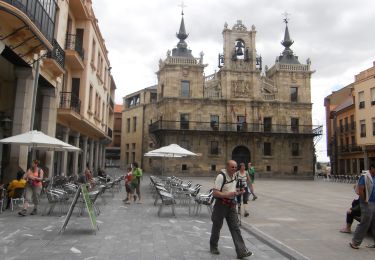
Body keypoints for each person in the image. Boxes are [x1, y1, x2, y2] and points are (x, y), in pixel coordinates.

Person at [210, 160, 253, 259]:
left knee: (235, 228)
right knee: (217, 226)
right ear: (227, 167)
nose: (234, 169)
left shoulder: (235, 176)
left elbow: (232, 189)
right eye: (232, 167)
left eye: (235, 167)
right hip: (220, 205)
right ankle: (213, 246)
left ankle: (241, 251)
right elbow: (215, 193)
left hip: (231, 204)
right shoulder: (221, 176)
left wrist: (238, 192)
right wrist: (226, 194)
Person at [350, 163, 375, 249]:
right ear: (372, 168)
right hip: (367, 203)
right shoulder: (365, 177)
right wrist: (365, 200)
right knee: (365, 223)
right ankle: (355, 242)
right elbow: (361, 189)